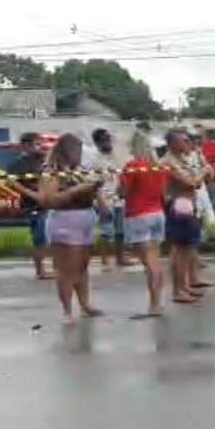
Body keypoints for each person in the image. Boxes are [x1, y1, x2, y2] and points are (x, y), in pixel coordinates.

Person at [38, 134, 103, 323]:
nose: (79, 154)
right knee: (67, 269)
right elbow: (47, 199)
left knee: (82, 267)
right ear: (66, 151)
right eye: (76, 150)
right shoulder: (52, 171)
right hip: (65, 220)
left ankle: (85, 304)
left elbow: (93, 189)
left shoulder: (79, 170)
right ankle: (68, 310)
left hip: (85, 218)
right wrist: (76, 190)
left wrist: (95, 191)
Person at [118, 131, 168, 317]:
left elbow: (124, 192)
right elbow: (163, 192)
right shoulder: (158, 167)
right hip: (157, 212)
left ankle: (154, 304)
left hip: (138, 214)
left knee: (148, 263)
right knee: (155, 260)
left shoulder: (132, 166)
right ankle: (157, 302)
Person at [161, 129, 213, 304]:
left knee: (187, 247)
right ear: (173, 143)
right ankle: (177, 290)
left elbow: (201, 179)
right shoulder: (169, 161)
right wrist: (204, 172)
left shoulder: (184, 159)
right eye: (183, 140)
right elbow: (190, 182)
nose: (187, 143)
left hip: (189, 205)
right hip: (177, 206)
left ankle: (185, 285)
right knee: (178, 249)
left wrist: (204, 172)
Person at [9, 132, 55, 280]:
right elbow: (11, 182)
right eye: (37, 143)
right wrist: (31, 194)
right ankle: (40, 270)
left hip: (49, 202)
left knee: (52, 236)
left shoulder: (43, 160)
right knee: (39, 237)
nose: (40, 146)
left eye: (41, 143)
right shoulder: (20, 163)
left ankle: (55, 267)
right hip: (33, 204)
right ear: (26, 146)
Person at [92, 128, 132, 270]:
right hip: (104, 199)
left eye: (108, 139)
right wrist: (101, 203)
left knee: (121, 231)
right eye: (104, 140)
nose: (107, 142)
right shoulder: (95, 161)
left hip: (119, 198)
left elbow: (124, 176)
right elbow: (93, 185)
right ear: (97, 143)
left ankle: (120, 258)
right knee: (106, 232)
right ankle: (105, 261)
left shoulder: (117, 157)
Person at [195, 125, 215, 219]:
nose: (198, 138)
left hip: (213, 180)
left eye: (200, 135)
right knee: (201, 206)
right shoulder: (193, 148)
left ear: (205, 135)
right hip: (198, 181)